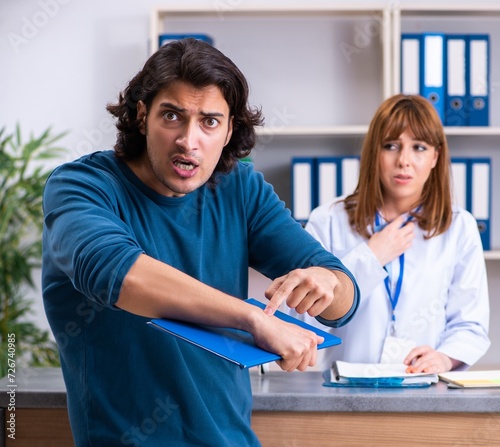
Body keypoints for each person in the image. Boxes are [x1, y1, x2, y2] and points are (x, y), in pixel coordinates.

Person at [41, 38, 359, 446]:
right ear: (142, 116)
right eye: (172, 116)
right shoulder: (81, 188)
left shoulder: (240, 188)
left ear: (229, 131)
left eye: (209, 122)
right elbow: (120, 276)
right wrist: (254, 318)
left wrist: (328, 282)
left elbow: (343, 302)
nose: (188, 141)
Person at [298, 94, 490, 374]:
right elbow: (305, 319)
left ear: (436, 156)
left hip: (425, 391)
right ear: (375, 153)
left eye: (419, 147)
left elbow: (470, 324)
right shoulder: (328, 220)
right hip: (344, 393)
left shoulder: (459, 227)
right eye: (391, 146)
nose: (404, 161)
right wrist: (370, 257)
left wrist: (445, 358)